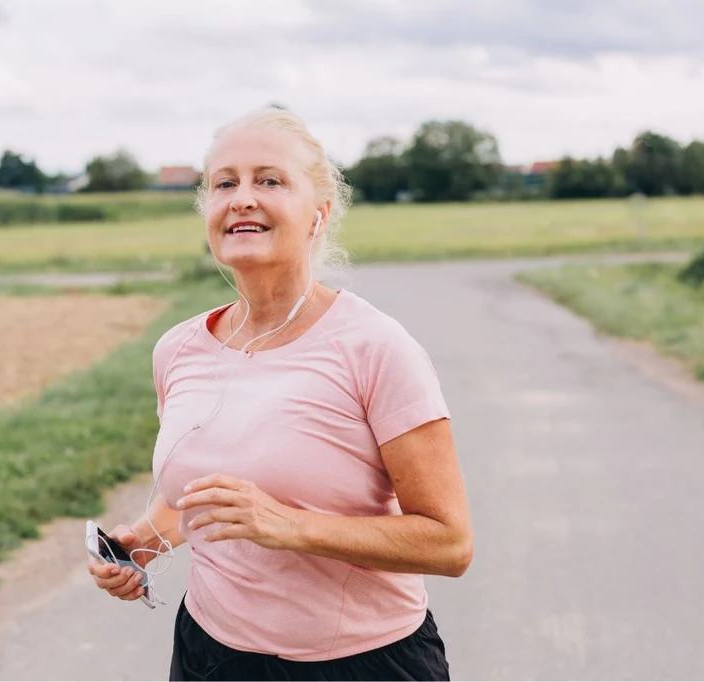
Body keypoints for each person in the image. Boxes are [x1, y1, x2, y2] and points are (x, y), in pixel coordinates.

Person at [87, 107, 473, 681]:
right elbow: (198, 500)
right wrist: (142, 544)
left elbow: (449, 543)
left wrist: (290, 526)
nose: (242, 198)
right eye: (225, 183)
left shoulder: (376, 347)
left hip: (363, 664)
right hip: (210, 655)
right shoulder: (178, 349)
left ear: (318, 215)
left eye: (269, 180)